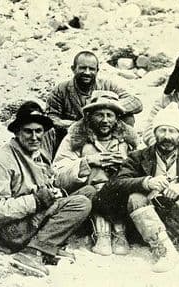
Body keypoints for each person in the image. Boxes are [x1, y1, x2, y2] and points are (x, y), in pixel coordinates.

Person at [0, 101, 91, 277]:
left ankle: (46, 247)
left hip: (28, 218)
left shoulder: (35, 155)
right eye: (28, 131)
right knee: (80, 203)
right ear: (17, 132)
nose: (34, 137)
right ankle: (32, 252)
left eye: (38, 131)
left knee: (88, 192)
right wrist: (36, 200)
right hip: (6, 231)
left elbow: (48, 185)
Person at [101, 103, 179, 273]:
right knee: (135, 197)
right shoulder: (138, 156)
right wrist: (146, 182)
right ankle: (163, 250)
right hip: (146, 219)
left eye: (172, 131)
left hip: (178, 221)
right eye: (162, 130)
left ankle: (171, 241)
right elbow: (115, 183)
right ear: (155, 133)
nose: (167, 136)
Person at [52, 91, 138, 256]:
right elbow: (58, 174)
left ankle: (119, 232)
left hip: (120, 199)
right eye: (99, 115)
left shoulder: (127, 139)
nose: (105, 120)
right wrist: (88, 162)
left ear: (117, 118)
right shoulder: (75, 138)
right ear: (89, 116)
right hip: (88, 199)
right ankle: (102, 232)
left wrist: (125, 163)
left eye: (110, 115)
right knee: (98, 176)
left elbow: (142, 166)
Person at [46, 51, 143, 154]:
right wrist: (74, 125)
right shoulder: (61, 90)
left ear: (97, 71)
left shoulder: (108, 85)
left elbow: (136, 103)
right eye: (83, 68)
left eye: (92, 69)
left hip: (104, 134)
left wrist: (108, 106)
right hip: (74, 136)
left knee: (128, 118)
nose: (87, 72)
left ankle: (122, 154)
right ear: (73, 69)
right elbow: (51, 118)